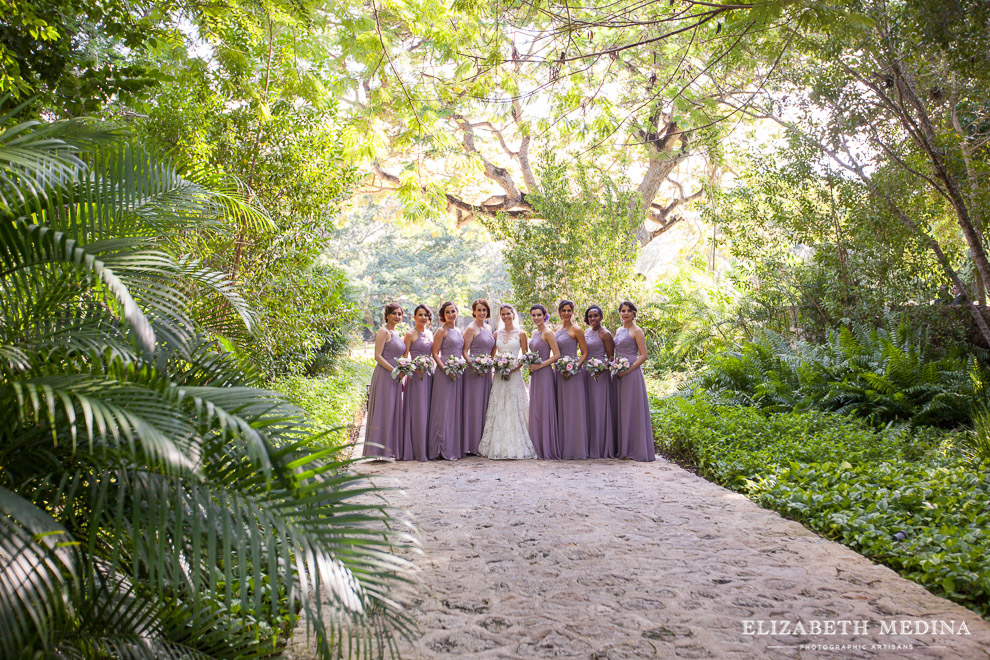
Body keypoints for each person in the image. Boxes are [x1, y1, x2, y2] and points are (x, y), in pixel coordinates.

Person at [478, 305, 538, 459]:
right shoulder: (496, 334)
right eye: (503, 314)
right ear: (500, 316)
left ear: (513, 315)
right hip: (499, 376)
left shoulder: (522, 334)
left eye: (508, 314)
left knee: (514, 405)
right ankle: (497, 445)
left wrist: (512, 368)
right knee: (499, 406)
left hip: (514, 375)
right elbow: (492, 356)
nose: (505, 317)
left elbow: (525, 357)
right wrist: (498, 365)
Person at [613, 301, 655, 462]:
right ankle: (622, 447)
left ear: (633, 313)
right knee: (621, 409)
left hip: (631, 373)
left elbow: (643, 356)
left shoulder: (637, 331)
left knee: (631, 409)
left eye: (628, 311)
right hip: (618, 373)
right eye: (622, 311)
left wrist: (628, 370)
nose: (625, 314)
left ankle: (633, 448)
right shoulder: (619, 329)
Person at [363, 303, 405, 459]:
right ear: (387, 315)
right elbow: (377, 356)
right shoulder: (383, 331)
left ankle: (389, 449)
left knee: (393, 411)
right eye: (394, 313)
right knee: (383, 410)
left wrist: (402, 369)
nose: (397, 316)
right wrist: (394, 370)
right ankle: (377, 451)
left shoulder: (396, 332)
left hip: (396, 376)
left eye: (399, 314)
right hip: (385, 375)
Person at [429, 301, 465, 460]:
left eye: (453, 311)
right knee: (443, 408)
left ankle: (454, 445)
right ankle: (440, 447)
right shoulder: (441, 331)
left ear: (457, 312)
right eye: (447, 312)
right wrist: (446, 370)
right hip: (445, 373)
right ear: (443, 315)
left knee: (455, 408)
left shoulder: (458, 330)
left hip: (458, 372)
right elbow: (435, 354)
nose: (451, 315)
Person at [555, 299, 589, 459]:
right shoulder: (556, 330)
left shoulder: (577, 330)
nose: (566, 313)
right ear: (559, 312)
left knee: (574, 409)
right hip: (559, 373)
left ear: (572, 312)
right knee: (561, 408)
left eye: (569, 310)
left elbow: (584, 353)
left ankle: (575, 448)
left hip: (573, 374)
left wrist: (574, 367)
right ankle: (562, 446)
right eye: (564, 311)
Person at [462, 299, 495, 455]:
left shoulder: (488, 327)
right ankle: (472, 444)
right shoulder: (471, 328)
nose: (482, 313)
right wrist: (475, 366)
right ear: (474, 311)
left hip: (486, 371)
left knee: (486, 405)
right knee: (474, 406)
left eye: (484, 310)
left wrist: (490, 364)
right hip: (474, 372)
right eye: (479, 310)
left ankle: (483, 442)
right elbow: (464, 352)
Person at [528, 304, 561, 459]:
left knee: (545, 407)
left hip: (545, 373)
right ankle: (536, 444)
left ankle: (546, 446)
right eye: (533, 315)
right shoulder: (534, 332)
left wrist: (540, 366)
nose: (536, 318)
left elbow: (556, 355)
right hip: (535, 374)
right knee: (536, 408)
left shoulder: (548, 333)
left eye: (539, 315)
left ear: (545, 315)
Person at [401, 304, 434, 461]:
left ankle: (428, 447)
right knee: (418, 411)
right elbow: (404, 357)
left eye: (426, 315)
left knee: (429, 411)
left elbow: (434, 354)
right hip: (416, 377)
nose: (423, 317)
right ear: (414, 317)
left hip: (429, 376)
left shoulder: (430, 333)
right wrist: (414, 367)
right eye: (420, 315)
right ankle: (417, 449)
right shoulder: (410, 334)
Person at [584, 305, 616, 459]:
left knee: (599, 408)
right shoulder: (586, 332)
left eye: (595, 315)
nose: (593, 319)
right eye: (590, 316)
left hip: (600, 375)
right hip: (586, 373)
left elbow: (611, 357)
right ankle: (590, 444)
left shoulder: (605, 334)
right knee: (589, 408)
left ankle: (601, 446)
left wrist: (601, 368)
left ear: (601, 317)